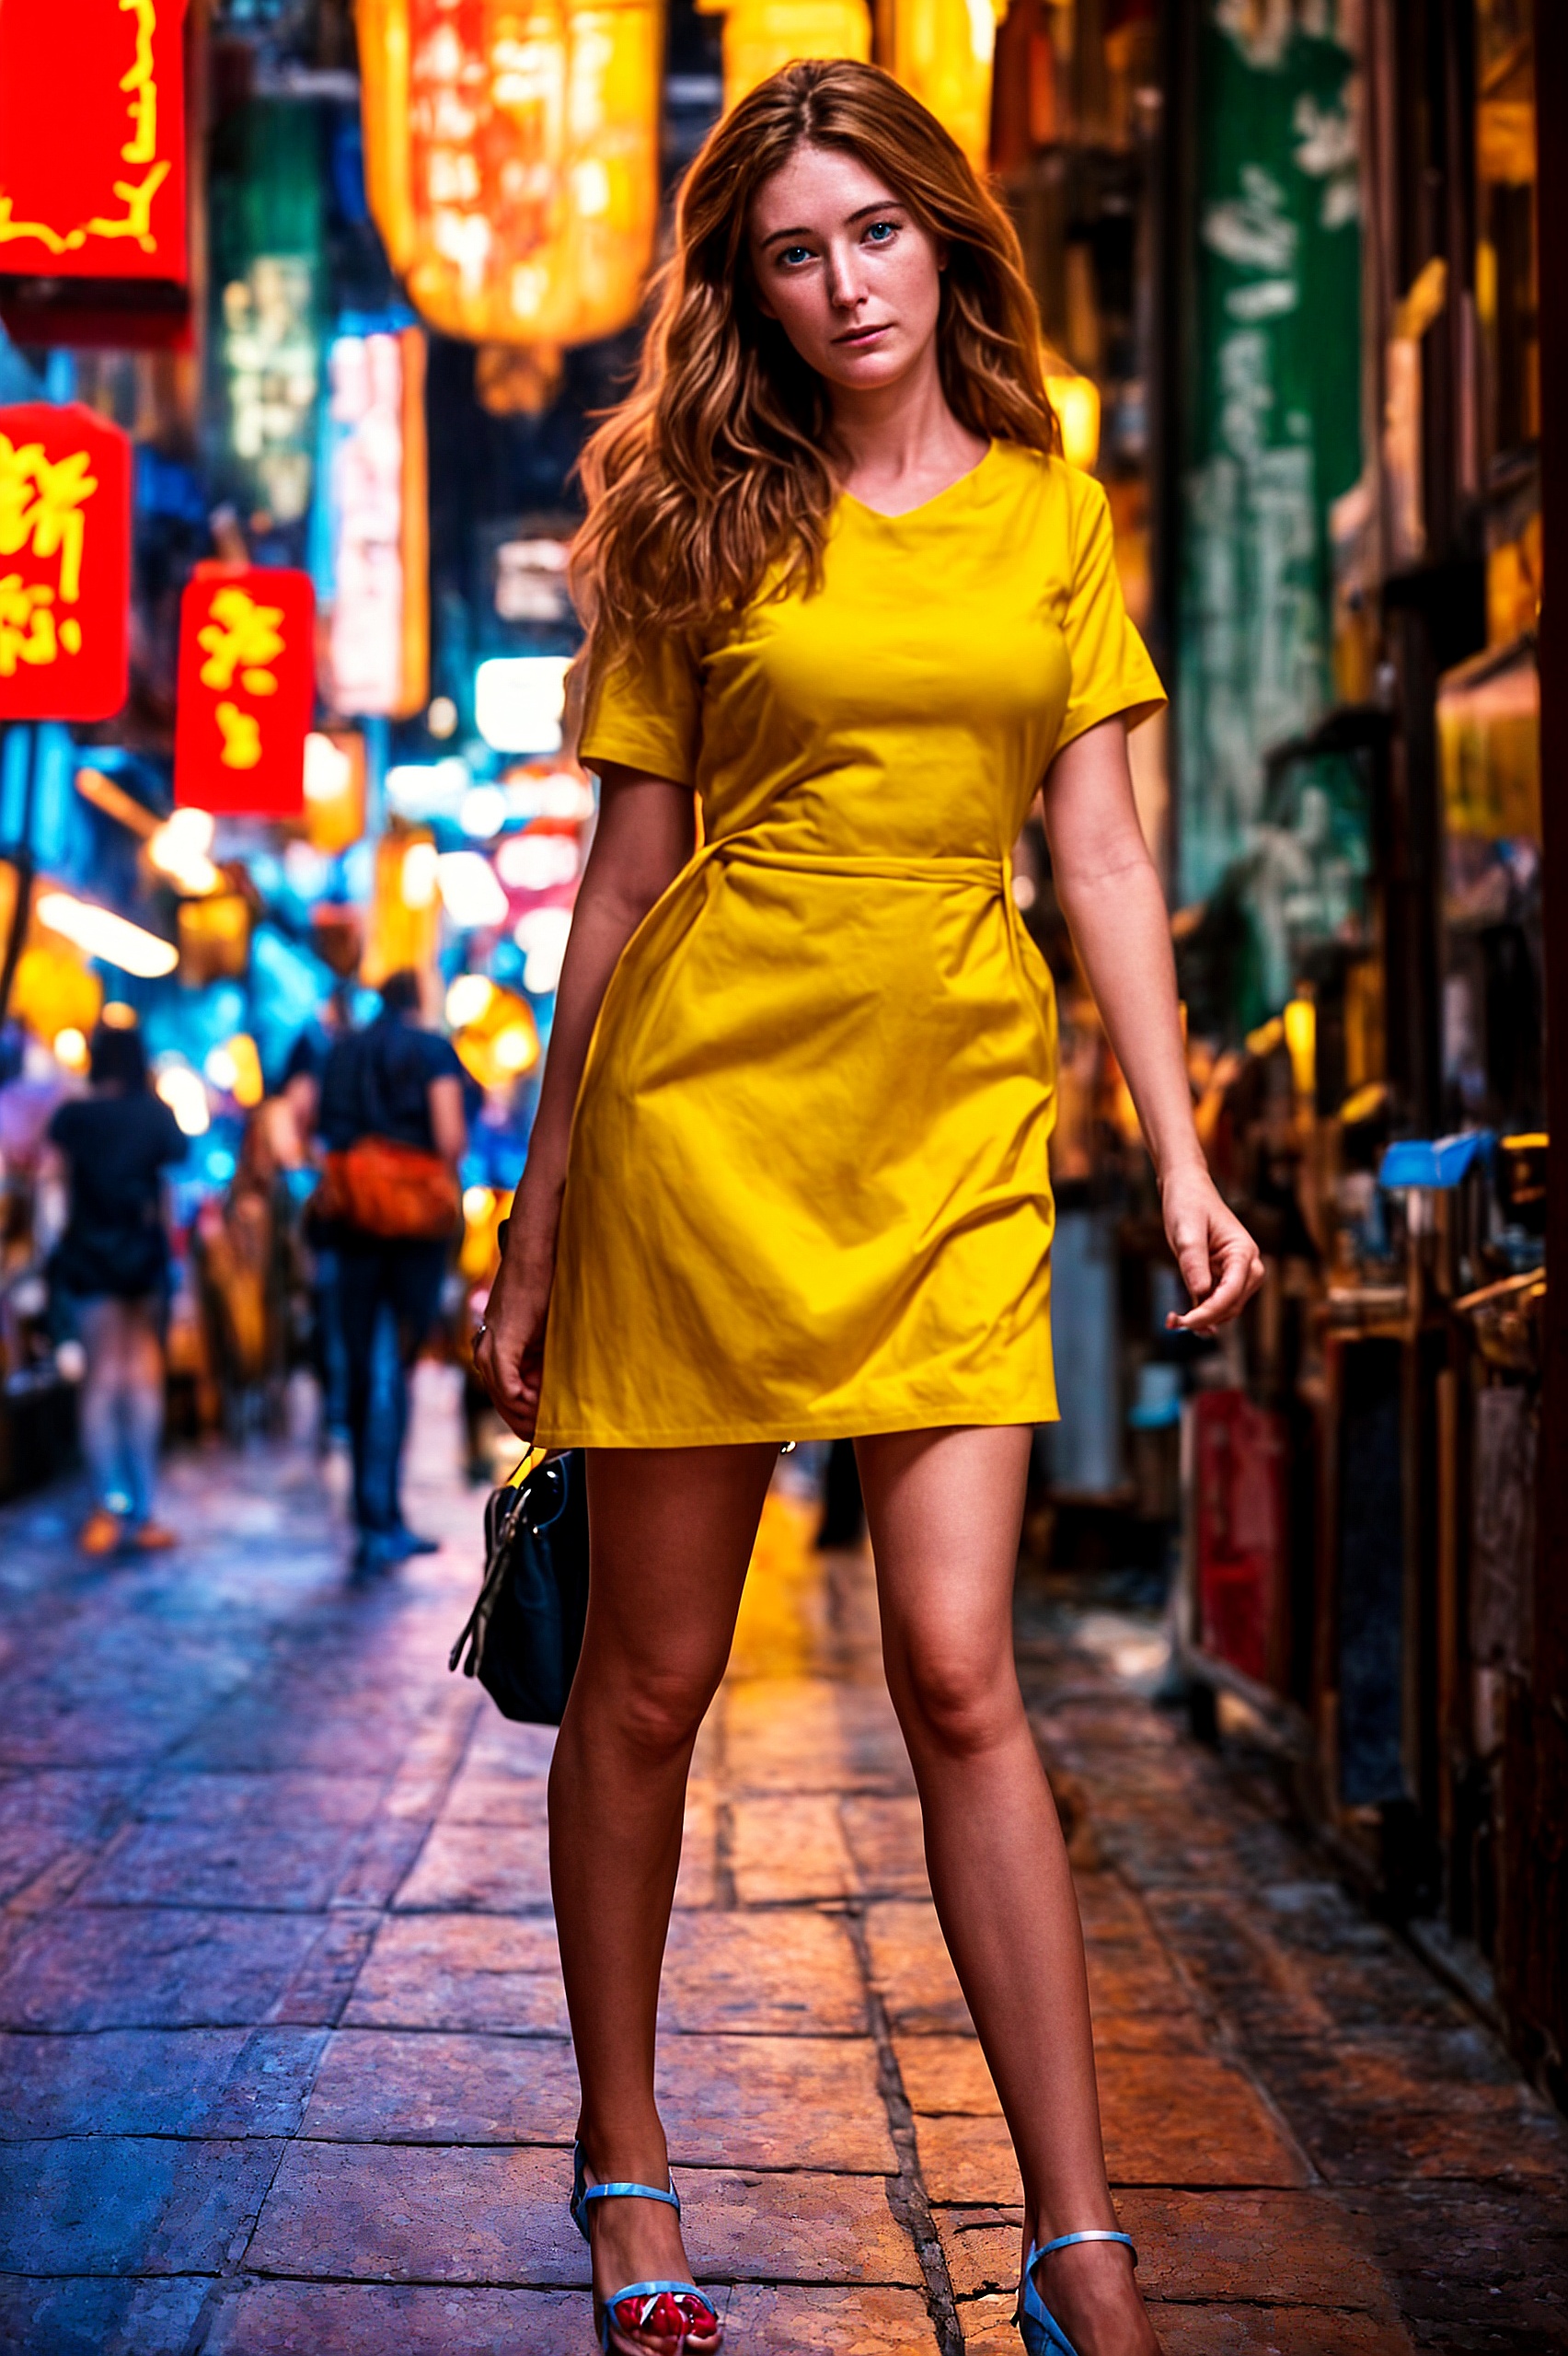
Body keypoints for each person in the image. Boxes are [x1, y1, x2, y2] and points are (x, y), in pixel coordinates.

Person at [477, 60, 1264, 2356]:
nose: (842, 286)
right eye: (793, 250)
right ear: (747, 281)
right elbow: (623, 881)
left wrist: (1179, 1133)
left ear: (944, 234)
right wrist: (532, 1228)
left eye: (876, 233)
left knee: (956, 1668)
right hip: (698, 1122)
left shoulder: (1047, 509)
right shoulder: (692, 515)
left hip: (948, 1123)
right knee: (646, 1678)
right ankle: (626, 2161)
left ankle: (1075, 2234)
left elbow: (1099, 849)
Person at [316, 969, 467, 1573]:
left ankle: (364, 1509)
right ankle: (389, 1516)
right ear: (419, 1002)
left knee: (356, 1361)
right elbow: (450, 1135)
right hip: (414, 1229)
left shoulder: (342, 1052)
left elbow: (316, 1127)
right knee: (399, 1365)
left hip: (352, 1221)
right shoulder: (432, 1050)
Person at [45, 1020, 185, 1556]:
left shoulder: (74, 1118)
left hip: (90, 1257)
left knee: (101, 1380)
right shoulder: (156, 1115)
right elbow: (171, 1184)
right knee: (143, 1376)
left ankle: (109, 1504)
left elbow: (54, 1189)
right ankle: (145, 1509)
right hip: (143, 1256)